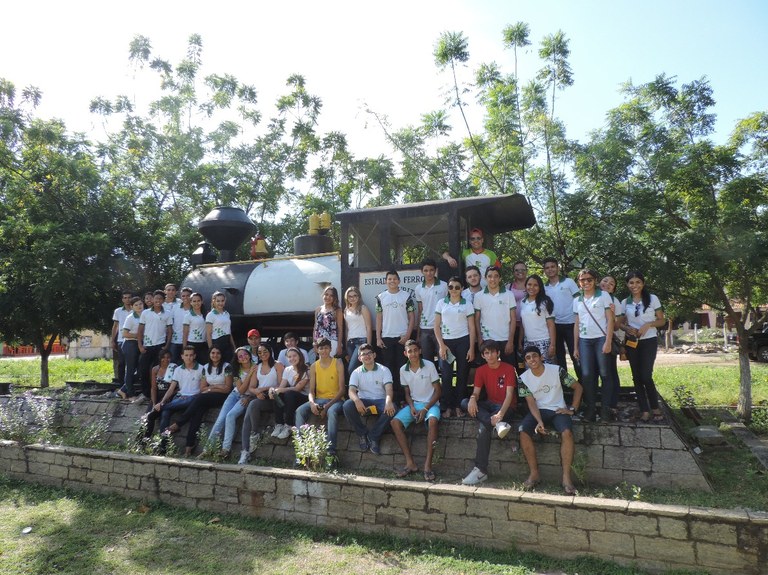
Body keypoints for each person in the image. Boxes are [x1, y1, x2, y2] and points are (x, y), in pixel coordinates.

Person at [518, 345, 583, 495]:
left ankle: (566, 478)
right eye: (528, 358)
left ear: (541, 357)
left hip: (557, 409)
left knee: (567, 433)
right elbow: (531, 403)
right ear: (526, 362)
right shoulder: (523, 379)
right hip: (538, 410)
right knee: (523, 431)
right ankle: (534, 474)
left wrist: (572, 409)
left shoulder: (556, 370)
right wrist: (539, 421)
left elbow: (578, 387)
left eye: (535, 356)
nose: (532, 360)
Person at [460, 340, 518, 486]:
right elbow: (476, 392)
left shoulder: (509, 369)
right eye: (487, 353)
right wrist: (473, 399)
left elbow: (509, 395)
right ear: (483, 355)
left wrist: (500, 414)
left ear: (498, 353)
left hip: (507, 407)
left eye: (492, 352)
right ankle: (496, 423)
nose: (490, 355)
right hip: (490, 406)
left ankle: (481, 470)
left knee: (483, 428)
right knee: (465, 402)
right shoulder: (481, 370)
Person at [164, 345, 233, 456]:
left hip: (222, 396)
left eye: (218, 353)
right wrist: (216, 387)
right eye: (213, 353)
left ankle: (178, 423)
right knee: (197, 413)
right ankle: (189, 447)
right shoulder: (206, 367)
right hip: (208, 396)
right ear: (209, 354)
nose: (215, 355)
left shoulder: (227, 366)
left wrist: (211, 387)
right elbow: (202, 388)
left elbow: (227, 388)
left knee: (199, 397)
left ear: (221, 355)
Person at [391, 340, 441, 481]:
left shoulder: (429, 365)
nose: (412, 353)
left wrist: (425, 409)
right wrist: (412, 407)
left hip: (431, 404)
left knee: (433, 421)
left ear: (420, 351)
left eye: (415, 350)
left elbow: (438, 391)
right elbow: (407, 393)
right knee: (395, 423)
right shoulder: (403, 369)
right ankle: (410, 463)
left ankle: (428, 466)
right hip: (414, 404)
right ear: (405, 353)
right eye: (409, 351)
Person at [623, 271, 666, 423]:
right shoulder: (625, 302)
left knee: (646, 375)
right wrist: (627, 328)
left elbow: (662, 320)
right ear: (627, 284)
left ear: (643, 283)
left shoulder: (652, 299)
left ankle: (655, 407)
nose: (634, 285)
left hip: (649, 341)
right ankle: (644, 410)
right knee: (636, 376)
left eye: (638, 282)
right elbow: (619, 323)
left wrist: (649, 324)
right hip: (632, 342)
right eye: (631, 282)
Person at [573, 268, 615, 422]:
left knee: (605, 374)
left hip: (600, 339)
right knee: (587, 375)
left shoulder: (603, 295)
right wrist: (575, 346)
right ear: (579, 282)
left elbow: (610, 319)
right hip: (585, 340)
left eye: (589, 279)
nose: (586, 282)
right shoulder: (577, 300)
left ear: (595, 280)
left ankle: (605, 409)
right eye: (582, 280)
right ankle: (590, 409)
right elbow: (577, 324)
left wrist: (608, 341)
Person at [143, 346, 205, 450]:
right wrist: (162, 401)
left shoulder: (201, 369)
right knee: (165, 413)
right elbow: (171, 389)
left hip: (194, 397)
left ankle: (161, 408)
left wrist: (161, 405)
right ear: (182, 356)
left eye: (191, 355)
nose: (189, 357)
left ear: (194, 356)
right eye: (186, 355)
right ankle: (163, 445)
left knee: (187, 401)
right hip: (179, 397)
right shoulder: (178, 369)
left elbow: (203, 388)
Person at [295, 338, 346, 460]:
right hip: (319, 399)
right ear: (317, 350)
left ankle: (331, 453)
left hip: (336, 400)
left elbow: (342, 390)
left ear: (330, 349)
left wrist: (327, 407)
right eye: (321, 348)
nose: (324, 351)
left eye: (326, 348)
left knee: (331, 412)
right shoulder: (314, 366)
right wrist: (312, 403)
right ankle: (302, 451)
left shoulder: (338, 363)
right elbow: (311, 391)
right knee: (299, 411)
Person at [433, 276, 476, 418]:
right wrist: (441, 346)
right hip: (446, 343)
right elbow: (436, 326)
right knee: (446, 376)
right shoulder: (441, 303)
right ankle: (447, 407)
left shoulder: (467, 304)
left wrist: (471, 348)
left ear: (462, 288)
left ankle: (459, 406)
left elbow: (472, 327)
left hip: (463, 342)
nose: (454, 290)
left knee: (462, 375)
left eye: (457, 287)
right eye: (451, 287)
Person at [342, 343, 396, 455]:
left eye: (369, 353)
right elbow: (351, 391)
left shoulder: (384, 370)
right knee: (347, 405)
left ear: (374, 355)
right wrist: (357, 401)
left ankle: (374, 436)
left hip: (380, 401)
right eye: (363, 354)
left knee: (393, 408)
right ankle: (362, 433)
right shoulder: (356, 372)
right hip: (364, 401)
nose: (367, 356)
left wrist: (388, 401)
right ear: (359, 358)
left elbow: (389, 389)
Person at [238, 344, 286, 464]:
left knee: (253, 405)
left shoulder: (278, 365)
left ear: (270, 351)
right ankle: (247, 447)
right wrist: (257, 392)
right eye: (260, 352)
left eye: (265, 351)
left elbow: (281, 385)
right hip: (261, 398)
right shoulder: (256, 367)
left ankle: (254, 435)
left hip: (275, 398)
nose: (262, 354)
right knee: (251, 409)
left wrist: (263, 389)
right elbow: (252, 387)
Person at [207, 346, 257, 459]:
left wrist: (249, 397)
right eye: (240, 356)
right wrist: (249, 374)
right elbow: (240, 389)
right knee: (220, 419)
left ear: (249, 355)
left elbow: (248, 390)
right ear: (238, 360)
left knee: (230, 416)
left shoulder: (256, 367)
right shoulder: (235, 369)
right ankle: (208, 448)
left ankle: (226, 449)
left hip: (247, 397)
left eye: (245, 354)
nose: (243, 357)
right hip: (234, 395)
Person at [375, 270, 415, 403]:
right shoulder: (380, 297)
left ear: (399, 281)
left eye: (394, 279)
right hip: (386, 337)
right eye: (389, 279)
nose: (392, 281)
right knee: (388, 369)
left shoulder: (406, 296)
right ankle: (391, 399)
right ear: (385, 281)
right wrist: (378, 338)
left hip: (402, 338)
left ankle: (404, 398)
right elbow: (379, 318)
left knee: (402, 369)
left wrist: (407, 335)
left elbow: (412, 317)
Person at [543, 258, 581, 379]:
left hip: (571, 324)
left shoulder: (569, 282)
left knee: (576, 356)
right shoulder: (544, 287)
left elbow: (579, 301)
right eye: (547, 268)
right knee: (559, 358)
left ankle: (583, 384)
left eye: (552, 266)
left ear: (558, 268)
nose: (550, 269)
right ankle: (565, 384)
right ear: (544, 270)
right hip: (555, 326)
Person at [473, 266, 517, 365]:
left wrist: (510, 341)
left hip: (505, 339)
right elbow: (477, 320)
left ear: (500, 278)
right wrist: (479, 339)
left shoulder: (509, 294)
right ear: (485, 278)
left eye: (496, 276)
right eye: (490, 276)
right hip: (487, 339)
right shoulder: (478, 296)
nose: (493, 279)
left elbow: (513, 319)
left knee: (509, 369)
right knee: (488, 370)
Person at [137, 290, 173, 401]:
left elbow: (170, 331)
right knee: (143, 370)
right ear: (153, 299)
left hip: (160, 346)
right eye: (156, 298)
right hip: (147, 346)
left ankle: (158, 394)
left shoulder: (167, 313)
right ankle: (146, 394)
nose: (158, 301)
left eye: (160, 299)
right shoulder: (145, 313)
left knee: (159, 371)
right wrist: (140, 345)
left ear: (163, 300)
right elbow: (140, 330)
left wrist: (167, 346)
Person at [414, 258, 448, 362]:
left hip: (441, 328)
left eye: (431, 270)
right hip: (425, 329)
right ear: (422, 271)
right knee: (427, 362)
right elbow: (420, 310)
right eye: (426, 270)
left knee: (444, 361)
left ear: (435, 270)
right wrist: (418, 334)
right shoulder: (418, 288)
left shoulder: (444, 286)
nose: (429, 273)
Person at [600, 276, 625, 415]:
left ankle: (612, 403)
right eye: (605, 281)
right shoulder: (590, 297)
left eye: (611, 284)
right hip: (590, 340)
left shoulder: (615, 302)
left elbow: (616, 327)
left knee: (610, 372)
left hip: (607, 340)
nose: (607, 284)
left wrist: (613, 314)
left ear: (614, 289)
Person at [518, 274, 556, 363]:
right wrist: (520, 342)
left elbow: (551, 325)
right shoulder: (523, 302)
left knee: (546, 368)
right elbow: (522, 325)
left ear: (540, 287)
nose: (532, 287)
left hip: (544, 342)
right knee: (531, 368)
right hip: (528, 342)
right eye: (529, 284)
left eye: (535, 285)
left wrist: (552, 345)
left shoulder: (545, 302)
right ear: (526, 285)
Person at [118, 296, 144, 400]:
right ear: (132, 307)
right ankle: (130, 394)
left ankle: (123, 389)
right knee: (130, 370)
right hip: (130, 344)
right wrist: (139, 335)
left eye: (140, 304)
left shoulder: (146, 314)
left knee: (141, 370)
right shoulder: (130, 318)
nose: (139, 306)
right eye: (136, 305)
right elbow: (125, 334)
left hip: (141, 344)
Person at [343, 287, 372, 373]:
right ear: (347, 298)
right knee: (358, 370)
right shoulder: (346, 310)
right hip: (350, 342)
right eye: (350, 296)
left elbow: (369, 327)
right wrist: (346, 344)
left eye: (355, 295)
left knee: (351, 369)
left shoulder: (363, 308)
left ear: (359, 296)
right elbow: (347, 329)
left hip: (361, 341)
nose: (352, 298)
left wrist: (369, 345)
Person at [508, 261, 529, 368]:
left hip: (528, 326)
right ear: (513, 272)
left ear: (526, 271)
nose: (520, 272)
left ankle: (525, 374)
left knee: (525, 353)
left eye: (522, 270)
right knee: (512, 355)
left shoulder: (532, 285)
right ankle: (514, 376)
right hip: (512, 325)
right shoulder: (508, 287)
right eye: (517, 270)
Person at [206, 290, 236, 364]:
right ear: (214, 301)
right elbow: (208, 334)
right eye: (218, 301)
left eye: (222, 301)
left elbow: (229, 331)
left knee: (229, 364)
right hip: (217, 342)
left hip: (227, 342)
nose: (220, 303)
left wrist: (233, 346)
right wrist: (211, 349)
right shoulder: (210, 315)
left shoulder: (226, 314)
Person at [314, 286, 344, 358]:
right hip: (319, 342)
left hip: (332, 342)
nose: (328, 297)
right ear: (323, 295)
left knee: (331, 363)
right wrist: (314, 343)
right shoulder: (318, 309)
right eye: (326, 294)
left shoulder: (337, 310)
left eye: (331, 295)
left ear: (334, 298)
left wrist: (339, 345)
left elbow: (340, 329)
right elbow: (315, 327)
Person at [111, 290, 133, 386]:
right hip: (121, 340)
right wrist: (113, 340)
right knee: (121, 363)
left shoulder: (137, 309)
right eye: (125, 298)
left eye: (129, 297)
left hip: (133, 340)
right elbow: (115, 326)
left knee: (132, 363)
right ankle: (121, 385)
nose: (127, 299)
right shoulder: (118, 311)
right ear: (122, 299)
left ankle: (130, 384)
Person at [167, 286, 191, 364]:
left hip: (189, 340)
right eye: (183, 296)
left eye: (188, 295)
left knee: (186, 363)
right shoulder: (175, 307)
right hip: (175, 341)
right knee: (172, 363)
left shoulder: (195, 309)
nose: (185, 297)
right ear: (181, 296)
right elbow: (169, 322)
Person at [183, 292, 208, 361]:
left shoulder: (206, 315)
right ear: (190, 302)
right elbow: (185, 333)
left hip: (203, 344)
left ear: (202, 301)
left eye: (198, 301)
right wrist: (184, 348)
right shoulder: (188, 316)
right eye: (194, 301)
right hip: (192, 344)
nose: (196, 303)